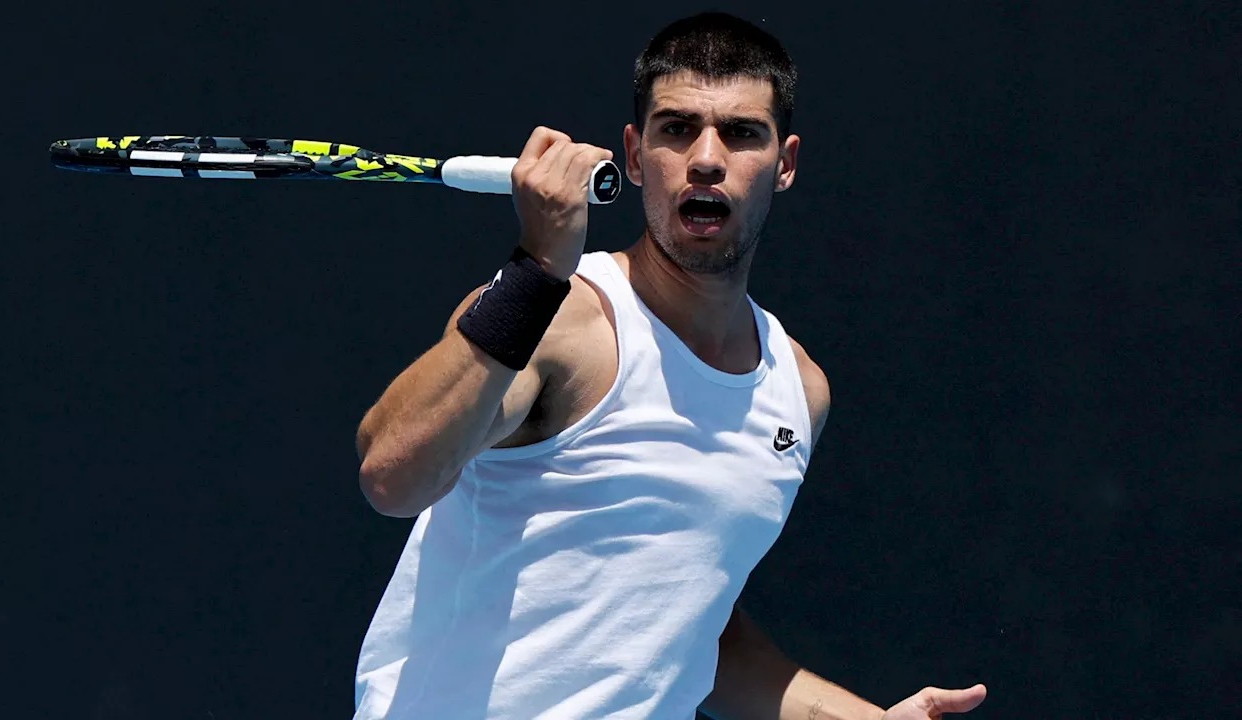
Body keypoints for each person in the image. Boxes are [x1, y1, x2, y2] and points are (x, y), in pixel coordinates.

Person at [352, 12, 987, 720]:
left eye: (742, 133)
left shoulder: (797, 392)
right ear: (632, 154)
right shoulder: (557, 319)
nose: (707, 158)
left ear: (785, 164)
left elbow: (693, 637)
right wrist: (535, 271)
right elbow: (392, 473)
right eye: (677, 129)